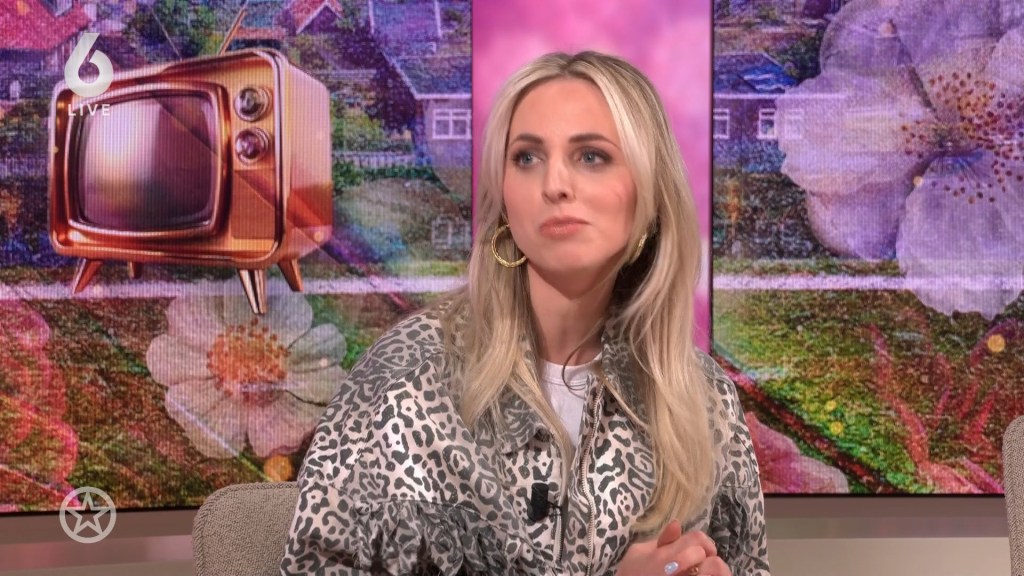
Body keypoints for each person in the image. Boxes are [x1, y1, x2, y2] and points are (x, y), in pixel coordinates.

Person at [280, 51, 769, 576]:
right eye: (527, 157)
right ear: (505, 199)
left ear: (649, 196)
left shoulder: (705, 400)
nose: (554, 184)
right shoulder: (405, 378)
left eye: (591, 156)